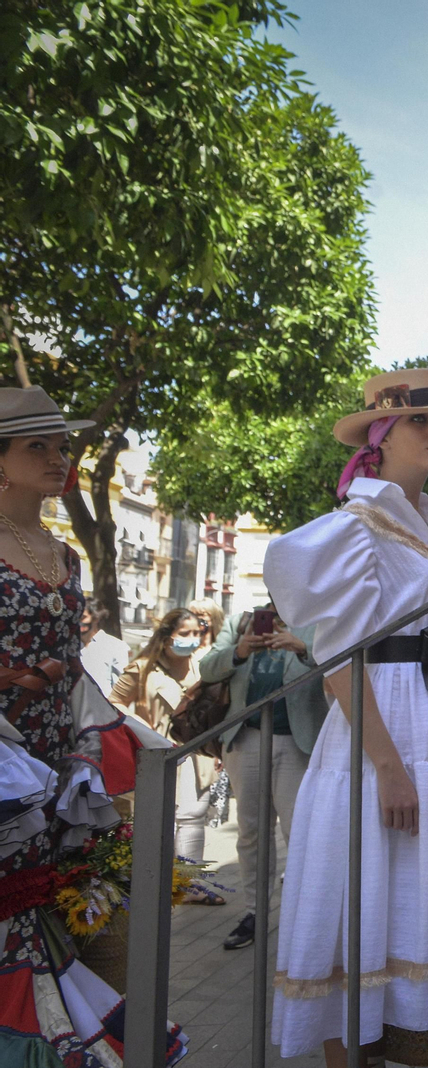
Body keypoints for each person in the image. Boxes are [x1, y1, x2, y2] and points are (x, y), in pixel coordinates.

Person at [262, 367, 428, 1065]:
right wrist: (387, 765)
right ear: (381, 434)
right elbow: (339, 660)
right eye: (422, 420)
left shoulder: (427, 524)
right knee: (358, 893)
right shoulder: (355, 529)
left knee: (400, 899)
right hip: (386, 726)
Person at [0, 385, 186, 1064]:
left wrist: (100, 738)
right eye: (38, 447)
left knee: (58, 893)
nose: (58, 458)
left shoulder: (65, 553)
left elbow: (74, 666)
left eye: (61, 445)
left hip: (56, 753)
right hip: (4, 758)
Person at [200, 600, 329, 951]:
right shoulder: (241, 621)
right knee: (251, 833)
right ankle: (255, 913)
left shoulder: (318, 618)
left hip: (298, 741)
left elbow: (341, 665)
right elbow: (207, 668)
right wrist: (239, 651)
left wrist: (301, 648)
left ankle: (305, 917)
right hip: (247, 738)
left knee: (300, 832)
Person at [115, 607, 226, 897]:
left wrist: (218, 747)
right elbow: (114, 702)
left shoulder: (204, 664)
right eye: (184, 633)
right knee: (158, 818)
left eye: (197, 632)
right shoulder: (142, 668)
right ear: (167, 638)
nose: (192, 639)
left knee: (193, 816)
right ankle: (153, 883)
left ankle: (190, 884)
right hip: (157, 751)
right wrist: (141, 726)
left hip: (196, 750)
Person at [77, 596, 128, 697]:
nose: (79, 622)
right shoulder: (71, 646)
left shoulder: (115, 646)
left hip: (102, 705)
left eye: (83, 617)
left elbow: (121, 689)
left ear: (96, 618)